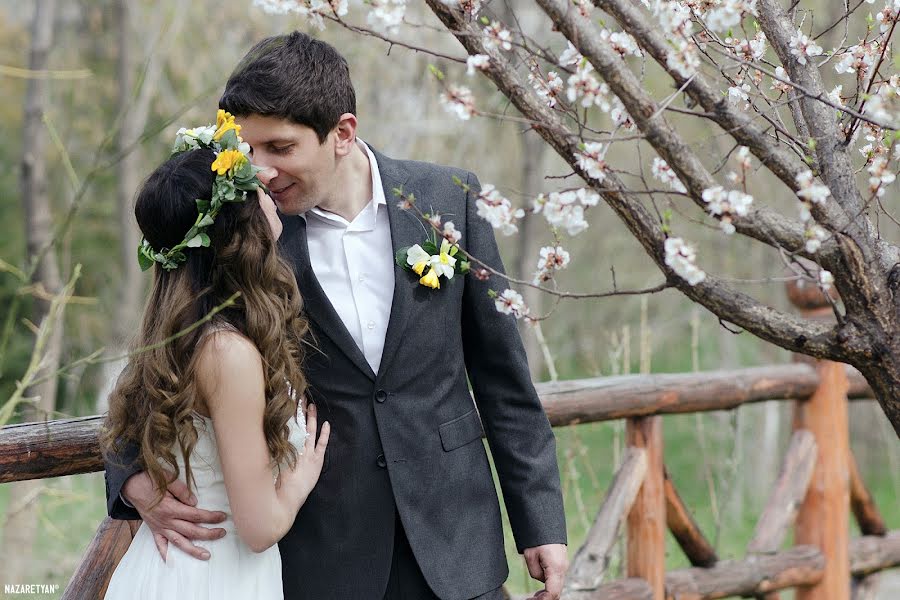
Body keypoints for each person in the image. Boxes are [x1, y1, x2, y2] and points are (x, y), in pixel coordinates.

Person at [104, 31, 568, 600]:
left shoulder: (447, 201)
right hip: (319, 554)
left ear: (342, 133)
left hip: (456, 542)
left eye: (280, 147)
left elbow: (504, 379)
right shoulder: (247, 234)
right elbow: (164, 351)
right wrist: (131, 481)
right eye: (248, 150)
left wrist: (540, 521)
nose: (261, 171)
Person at [100, 118, 329, 599]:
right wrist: (301, 477)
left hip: (179, 568)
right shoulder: (228, 353)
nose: (267, 185)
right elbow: (260, 526)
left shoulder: (178, 333)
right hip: (211, 576)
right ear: (237, 227)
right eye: (254, 187)